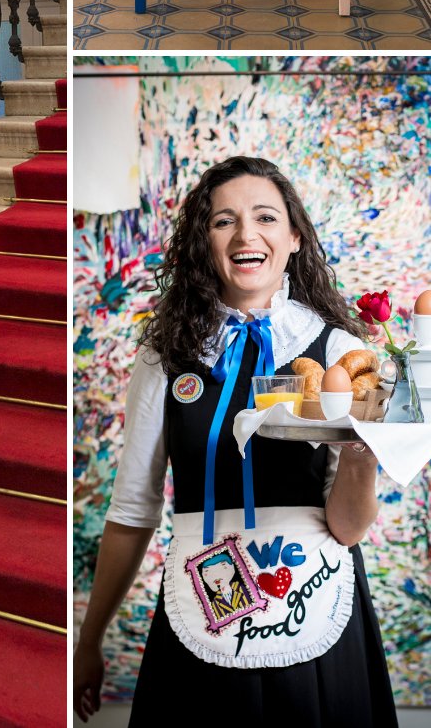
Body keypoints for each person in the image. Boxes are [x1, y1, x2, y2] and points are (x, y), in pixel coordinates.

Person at [72, 156, 397, 726]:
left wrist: (363, 453)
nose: (247, 234)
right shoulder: (164, 358)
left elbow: (347, 528)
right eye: (224, 221)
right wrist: (88, 640)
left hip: (315, 600)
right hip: (201, 603)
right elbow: (131, 511)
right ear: (205, 239)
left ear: (294, 237)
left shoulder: (344, 352)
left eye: (266, 217)